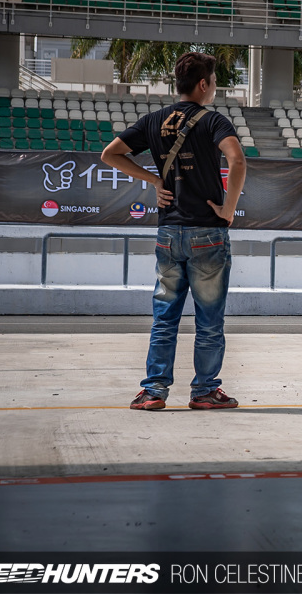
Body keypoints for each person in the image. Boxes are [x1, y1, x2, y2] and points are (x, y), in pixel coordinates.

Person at [101, 52, 246, 411]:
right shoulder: (213, 121)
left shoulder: (153, 120)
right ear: (203, 84)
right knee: (209, 321)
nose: (214, 87)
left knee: (164, 318)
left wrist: (153, 179)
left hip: (168, 232)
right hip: (208, 235)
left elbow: (110, 154)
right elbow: (238, 159)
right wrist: (228, 208)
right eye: (213, 81)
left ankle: (153, 392)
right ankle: (205, 391)